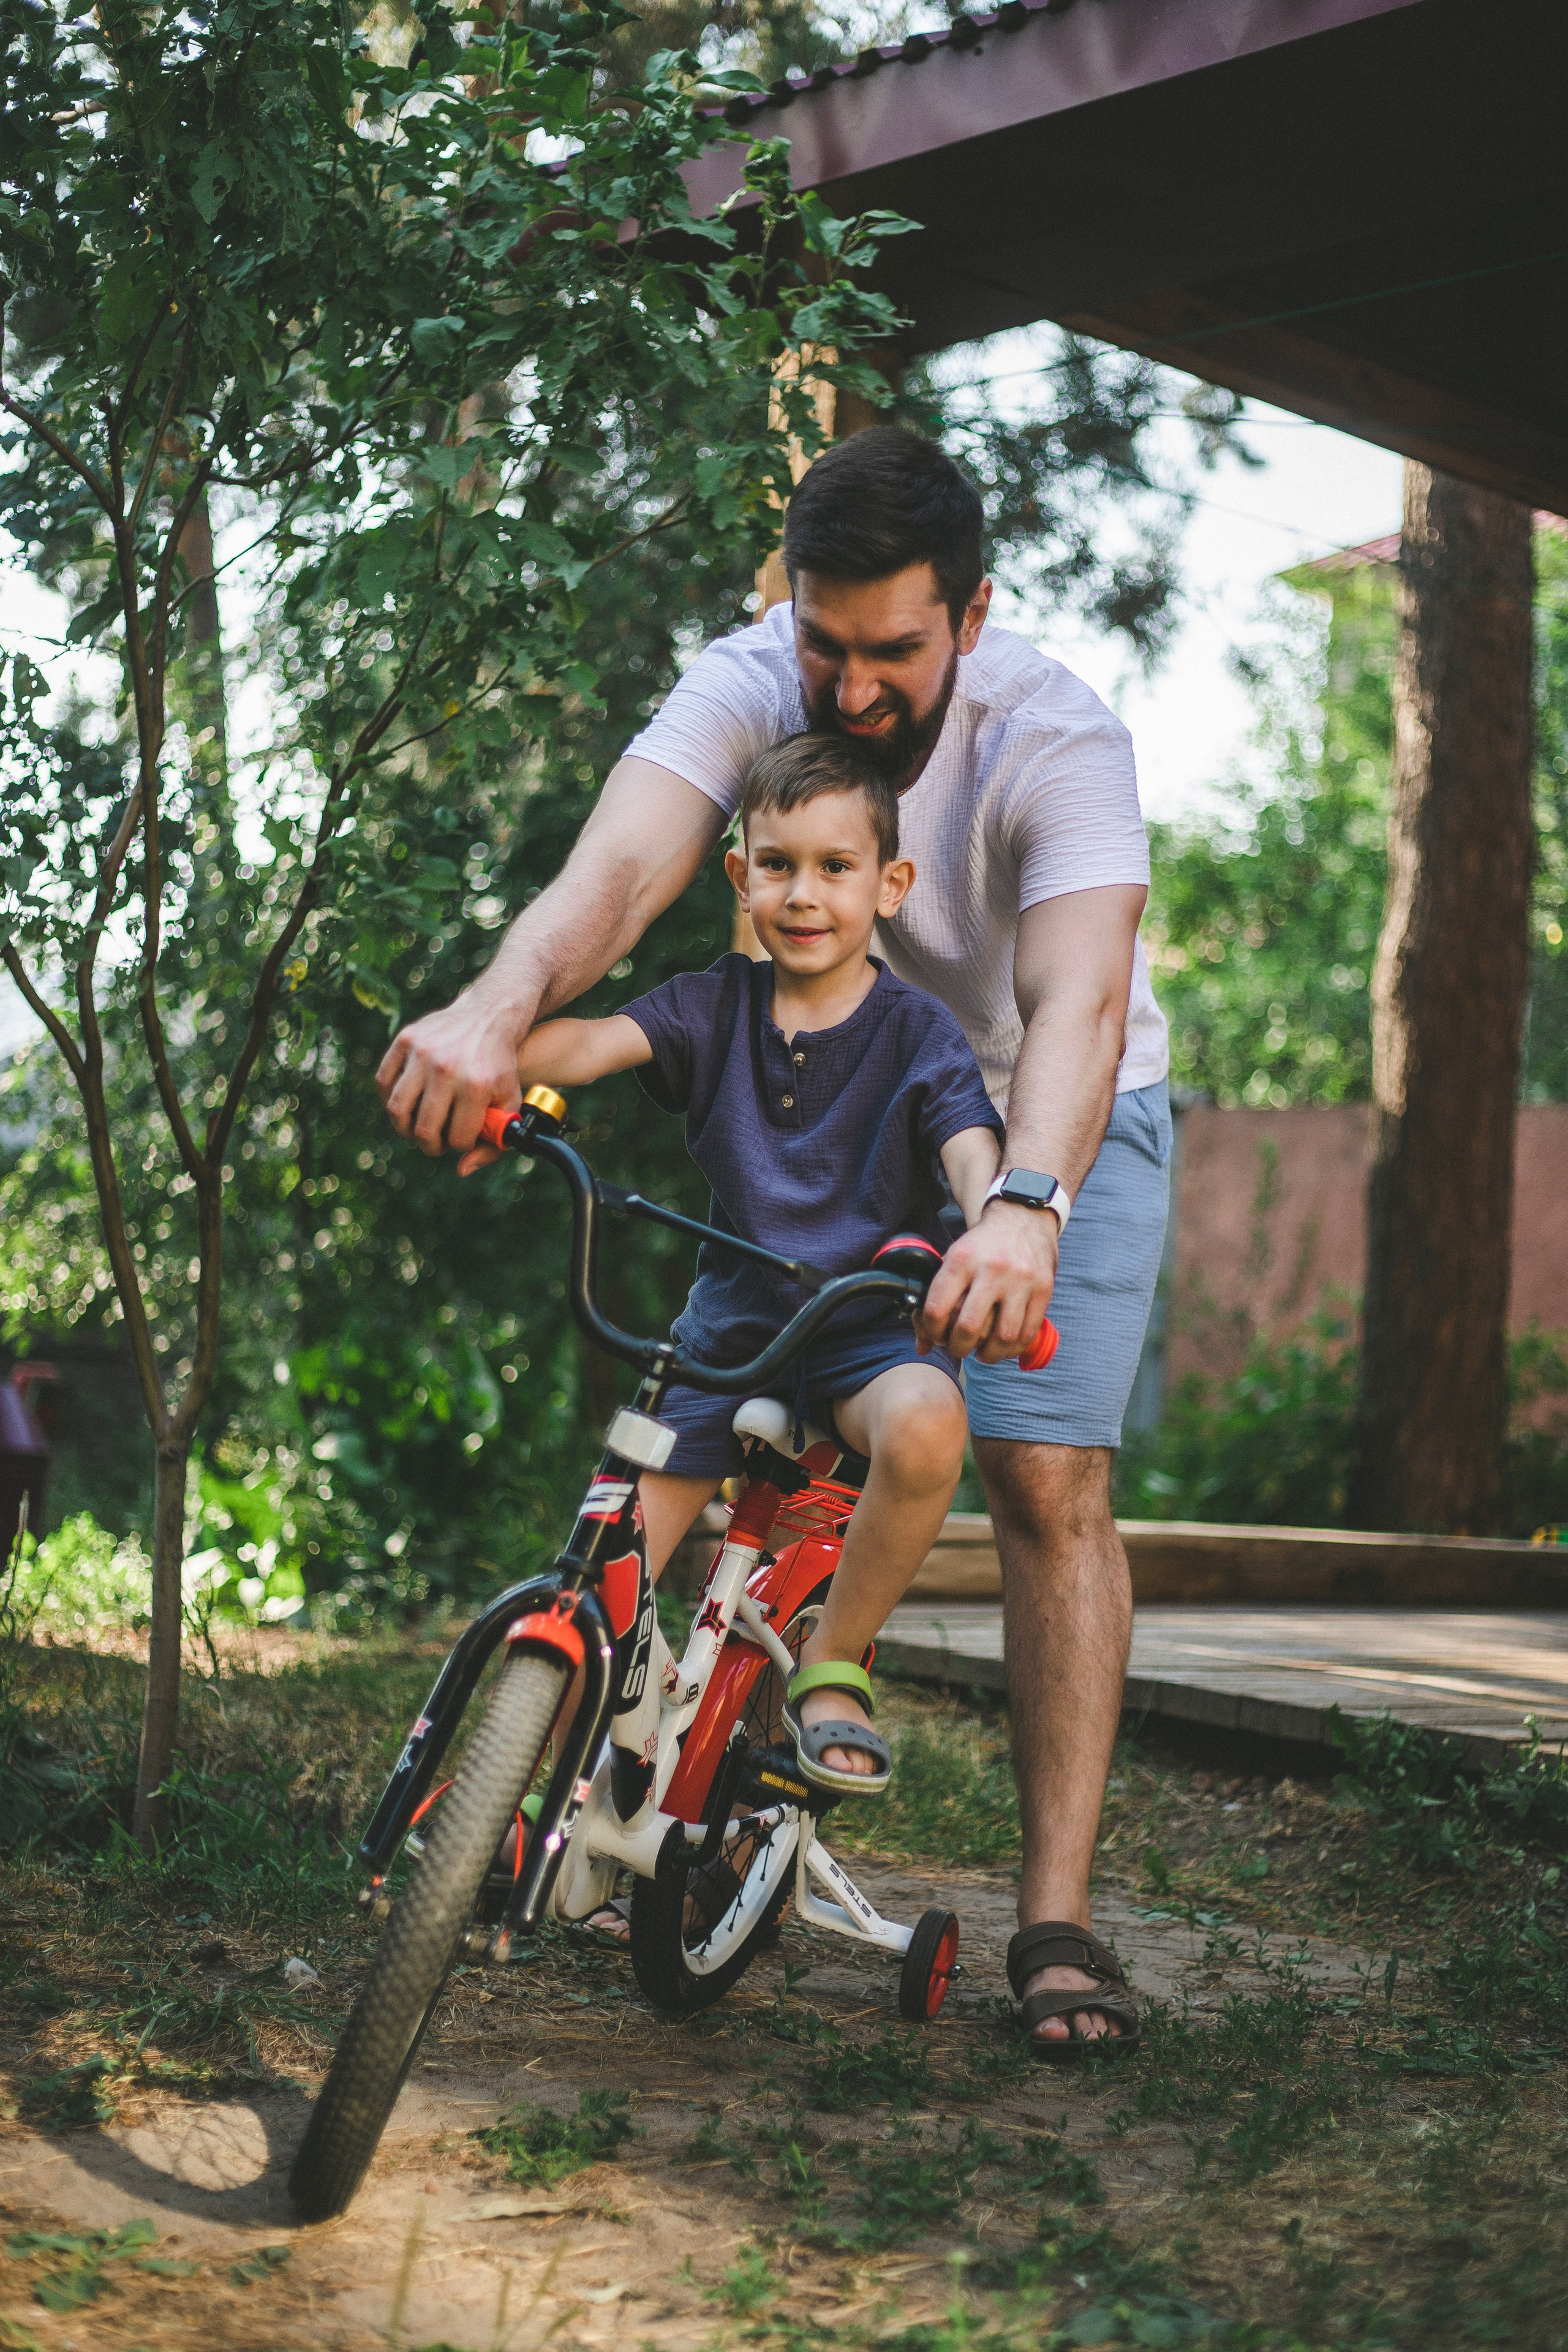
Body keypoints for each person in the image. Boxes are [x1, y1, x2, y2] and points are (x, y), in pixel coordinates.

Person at [379, 427, 1169, 2060]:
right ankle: (613, 1765)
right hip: (798, 1092)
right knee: (710, 1426)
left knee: (1042, 1478)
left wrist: (1021, 1205)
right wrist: (491, 1014)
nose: (855, 684)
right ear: (785, 604)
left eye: (896, 649)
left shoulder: (1059, 738)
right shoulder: (751, 679)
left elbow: (1077, 999)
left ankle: (1057, 1917)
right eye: (827, 642)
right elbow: (617, 876)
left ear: (971, 612)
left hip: (1028, 1111)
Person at [513, 732, 1003, 1792]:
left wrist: (996, 1227)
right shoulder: (711, 1006)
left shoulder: (920, 1036)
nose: (805, 892)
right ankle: (528, 1809)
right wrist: (481, 1049)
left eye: (837, 867)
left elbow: (970, 1145)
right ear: (742, 877)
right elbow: (590, 1044)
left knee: (927, 1426)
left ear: (891, 885)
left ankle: (832, 1666)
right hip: (726, 1340)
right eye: (777, 864)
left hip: (867, 1337)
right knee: (599, 1581)